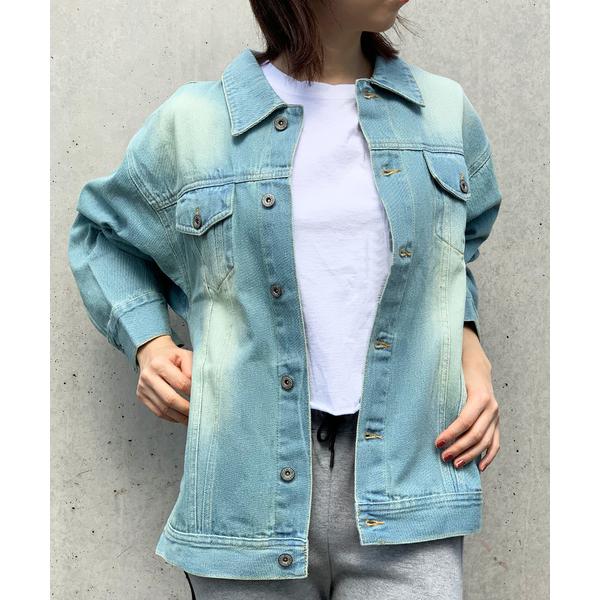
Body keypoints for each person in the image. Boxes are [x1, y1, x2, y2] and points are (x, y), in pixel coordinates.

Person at [68, 0, 502, 597]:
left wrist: (471, 350)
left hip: (412, 479)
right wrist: (150, 343)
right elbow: (103, 236)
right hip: (246, 494)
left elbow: (449, 260)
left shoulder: (444, 113)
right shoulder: (196, 123)